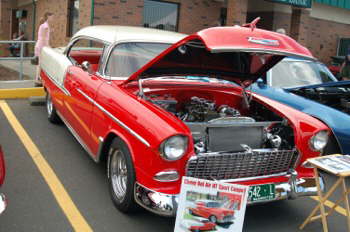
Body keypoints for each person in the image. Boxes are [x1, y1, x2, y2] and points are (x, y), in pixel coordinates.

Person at [34, 12, 54, 87]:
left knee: (40, 63)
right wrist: (48, 47)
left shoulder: (44, 25)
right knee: (40, 64)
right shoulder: (45, 25)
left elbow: (43, 36)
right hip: (42, 46)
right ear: (48, 17)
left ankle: (38, 79)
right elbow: (44, 38)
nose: (52, 19)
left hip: (39, 45)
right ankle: (37, 80)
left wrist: (50, 31)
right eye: (52, 17)